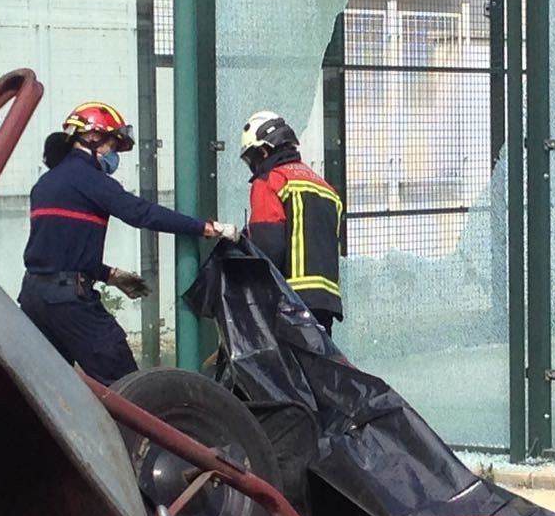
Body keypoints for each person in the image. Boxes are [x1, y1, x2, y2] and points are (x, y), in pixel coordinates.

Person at [19, 101, 227, 384]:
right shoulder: (89, 179)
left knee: (49, 387)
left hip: (33, 296)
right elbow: (140, 213)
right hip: (68, 300)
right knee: (127, 386)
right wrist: (202, 227)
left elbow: (58, 248)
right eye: (113, 146)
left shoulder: (45, 184)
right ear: (93, 138)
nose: (114, 155)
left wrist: (110, 276)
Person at [239, 110, 344, 333]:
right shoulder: (324, 187)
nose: (253, 165)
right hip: (326, 300)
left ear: (264, 151)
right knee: (314, 365)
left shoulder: (270, 181)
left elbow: (267, 246)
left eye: (252, 157)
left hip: (289, 297)